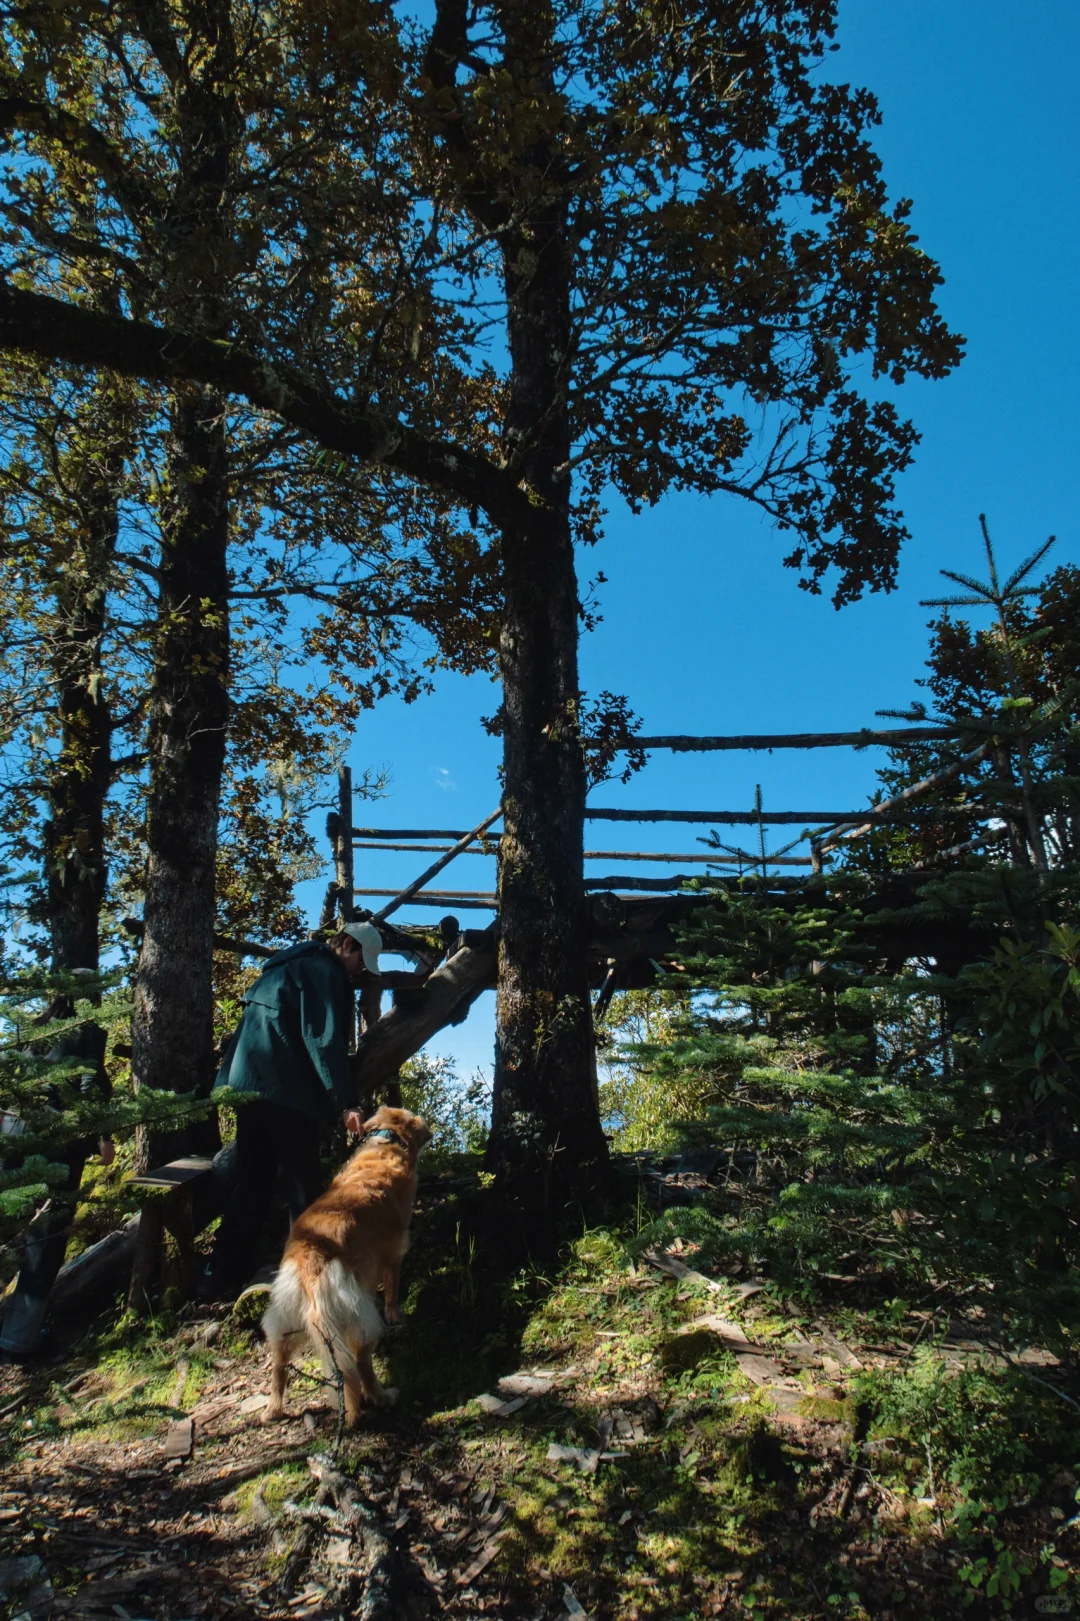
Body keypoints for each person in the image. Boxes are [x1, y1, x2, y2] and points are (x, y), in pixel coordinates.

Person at [200, 921, 383, 1301]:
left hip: (249, 1089)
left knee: (253, 1183)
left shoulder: (284, 966)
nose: (359, 973)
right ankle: (310, 1282)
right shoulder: (325, 972)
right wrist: (346, 1102)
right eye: (360, 964)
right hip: (288, 1094)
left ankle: (218, 1278)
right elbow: (324, 1041)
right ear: (347, 944)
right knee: (304, 1188)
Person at [0, 1021, 115, 1364]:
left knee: (6, 1229)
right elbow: (89, 1083)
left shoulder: (36, 1027)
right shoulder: (89, 1028)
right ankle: (18, 1343)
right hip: (57, 1142)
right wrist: (103, 1138)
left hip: (12, 1132)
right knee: (45, 1241)